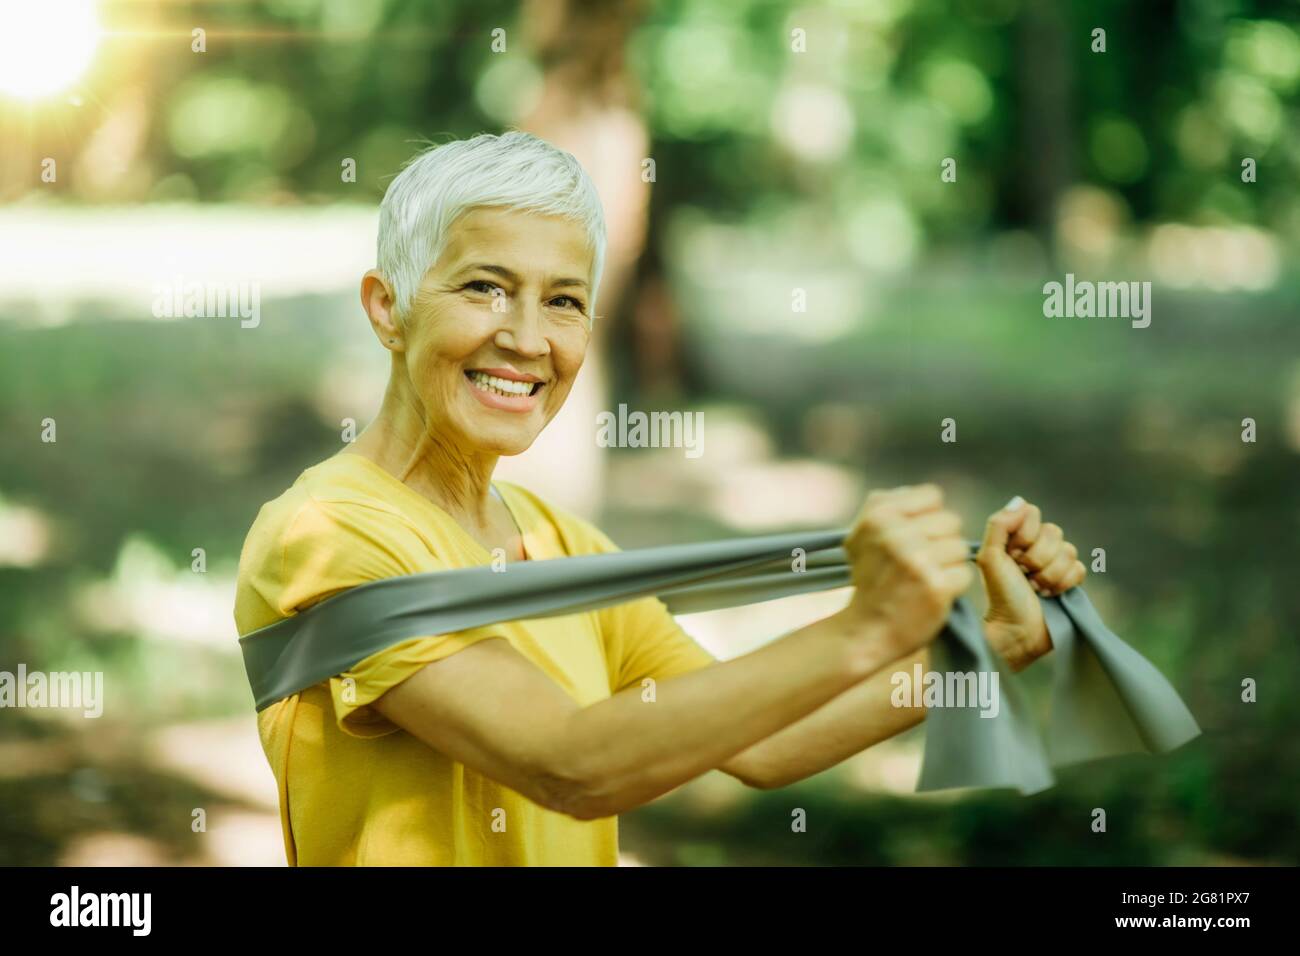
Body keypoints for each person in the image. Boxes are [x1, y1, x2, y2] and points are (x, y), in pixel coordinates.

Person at [234, 130, 1086, 866]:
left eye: (562, 302)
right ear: (388, 308)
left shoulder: (562, 545)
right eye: (484, 287)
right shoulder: (327, 535)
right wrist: (867, 623)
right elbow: (570, 766)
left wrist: (993, 642)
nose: (527, 339)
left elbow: (764, 741)